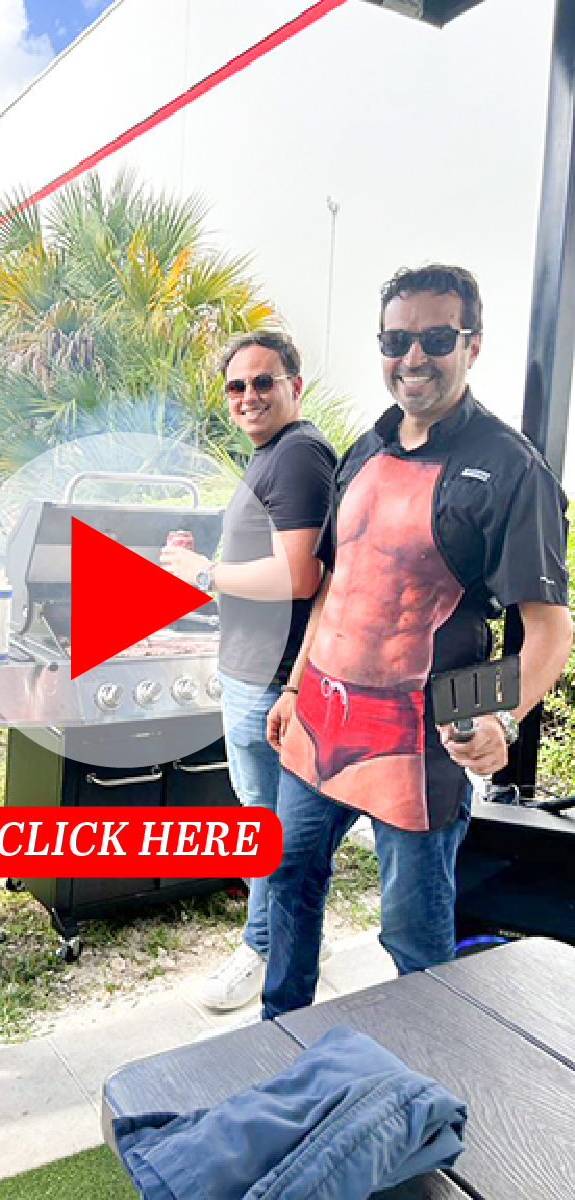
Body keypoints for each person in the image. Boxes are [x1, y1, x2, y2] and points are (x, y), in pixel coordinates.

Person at [263, 264, 572, 1019]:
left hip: (414, 737)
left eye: (436, 338)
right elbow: (335, 583)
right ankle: (279, 1035)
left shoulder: (511, 467)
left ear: (472, 344)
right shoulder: (363, 448)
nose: (413, 357)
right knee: (287, 883)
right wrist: (295, 687)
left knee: (412, 935)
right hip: (317, 715)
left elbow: (549, 628)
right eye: (396, 340)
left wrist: (498, 716)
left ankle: (433, 1066)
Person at [160, 329, 335, 1011]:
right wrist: (201, 560)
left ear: (295, 385)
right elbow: (267, 555)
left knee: (267, 829)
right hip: (252, 674)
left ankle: (259, 951)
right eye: (236, 385)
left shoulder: (298, 455)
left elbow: (299, 575)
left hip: (272, 682)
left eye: (264, 381)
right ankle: (277, 940)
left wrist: (205, 572)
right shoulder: (273, 456)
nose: (248, 396)